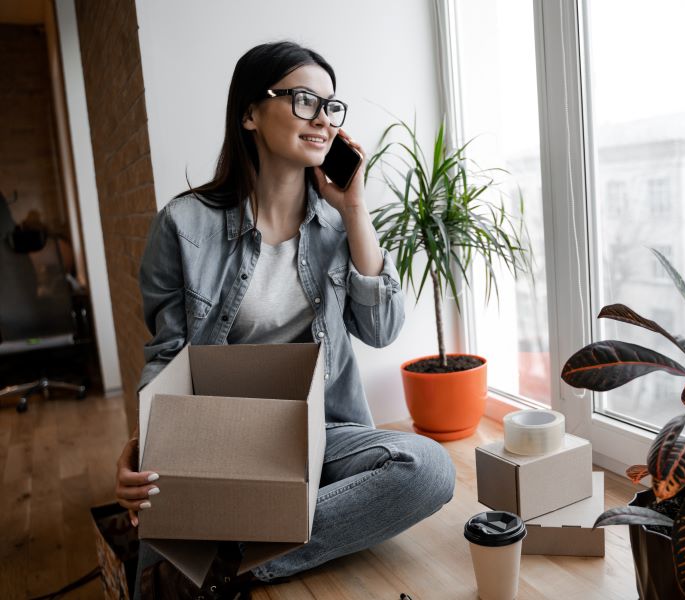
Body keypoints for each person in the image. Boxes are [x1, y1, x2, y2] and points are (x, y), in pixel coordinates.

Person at [114, 41, 456, 597]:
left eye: (330, 105)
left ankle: (233, 558)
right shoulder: (183, 225)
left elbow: (381, 329)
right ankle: (225, 536)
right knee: (157, 537)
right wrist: (143, 440)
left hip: (324, 432)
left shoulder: (339, 224)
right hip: (225, 440)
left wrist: (354, 208)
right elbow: (167, 357)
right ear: (249, 113)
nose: (322, 119)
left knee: (428, 468)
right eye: (302, 100)